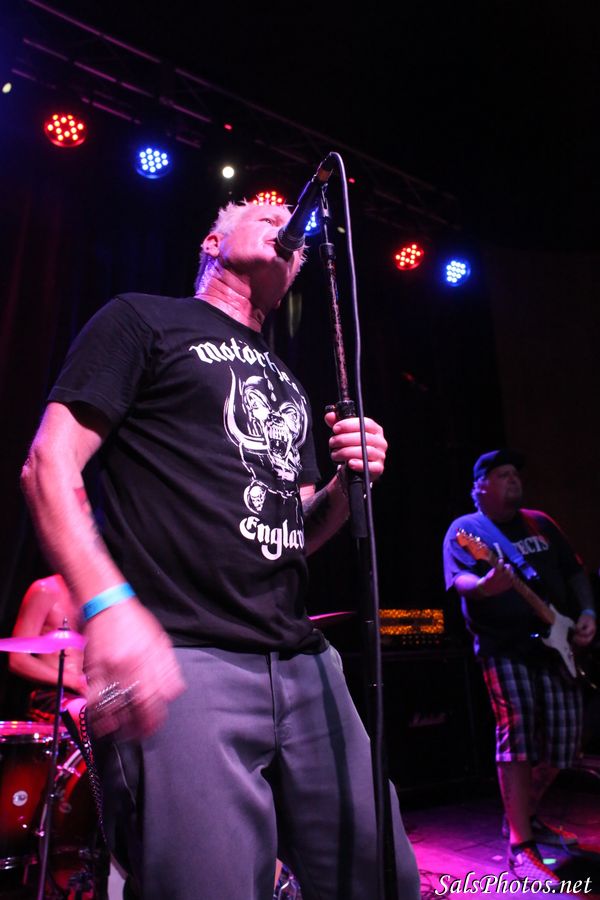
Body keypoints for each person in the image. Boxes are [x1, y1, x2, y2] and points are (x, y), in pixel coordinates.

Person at [21, 201, 420, 899]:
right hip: (183, 657)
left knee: (380, 876)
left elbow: (294, 525)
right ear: (212, 240)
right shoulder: (143, 319)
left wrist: (347, 485)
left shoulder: (288, 382)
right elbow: (48, 464)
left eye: (294, 232)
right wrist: (108, 606)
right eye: (264, 213)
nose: (285, 223)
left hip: (303, 661)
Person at [443, 449, 596, 885]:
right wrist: (486, 585)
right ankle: (520, 844)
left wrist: (589, 612)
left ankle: (525, 814)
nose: (514, 480)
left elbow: (575, 572)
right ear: (480, 487)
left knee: (566, 743)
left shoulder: (540, 523)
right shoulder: (468, 530)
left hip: (557, 644)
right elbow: (460, 581)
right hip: (503, 647)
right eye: (503, 474)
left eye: (515, 474)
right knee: (519, 733)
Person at [8, 574, 87, 720]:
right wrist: (75, 681)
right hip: (51, 694)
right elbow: (17, 659)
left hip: (87, 693)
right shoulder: (45, 589)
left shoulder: (95, 596)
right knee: (87, 714)